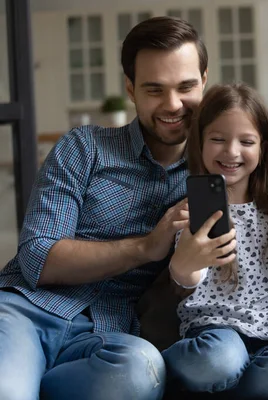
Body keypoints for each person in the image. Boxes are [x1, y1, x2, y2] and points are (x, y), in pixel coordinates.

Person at [0, 16, 208, 400]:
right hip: (28, 313)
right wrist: (147, 246)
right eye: (154, 89)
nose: (173, 104)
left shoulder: (212, 172)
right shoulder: (84, 148)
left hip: (109, 337)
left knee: (141, 372)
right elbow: (38, 259)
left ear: (204, 82)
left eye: (185, 87)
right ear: (130, 89)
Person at [161, 83, 268, 399]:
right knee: (224, 357)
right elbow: (186, 281)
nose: (231, 152)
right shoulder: (190, 209)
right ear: (200, 142)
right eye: (218, 139)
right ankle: (171, 372)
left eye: (246, 141)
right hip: (212, 335)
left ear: (263, 147)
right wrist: (184, 265)